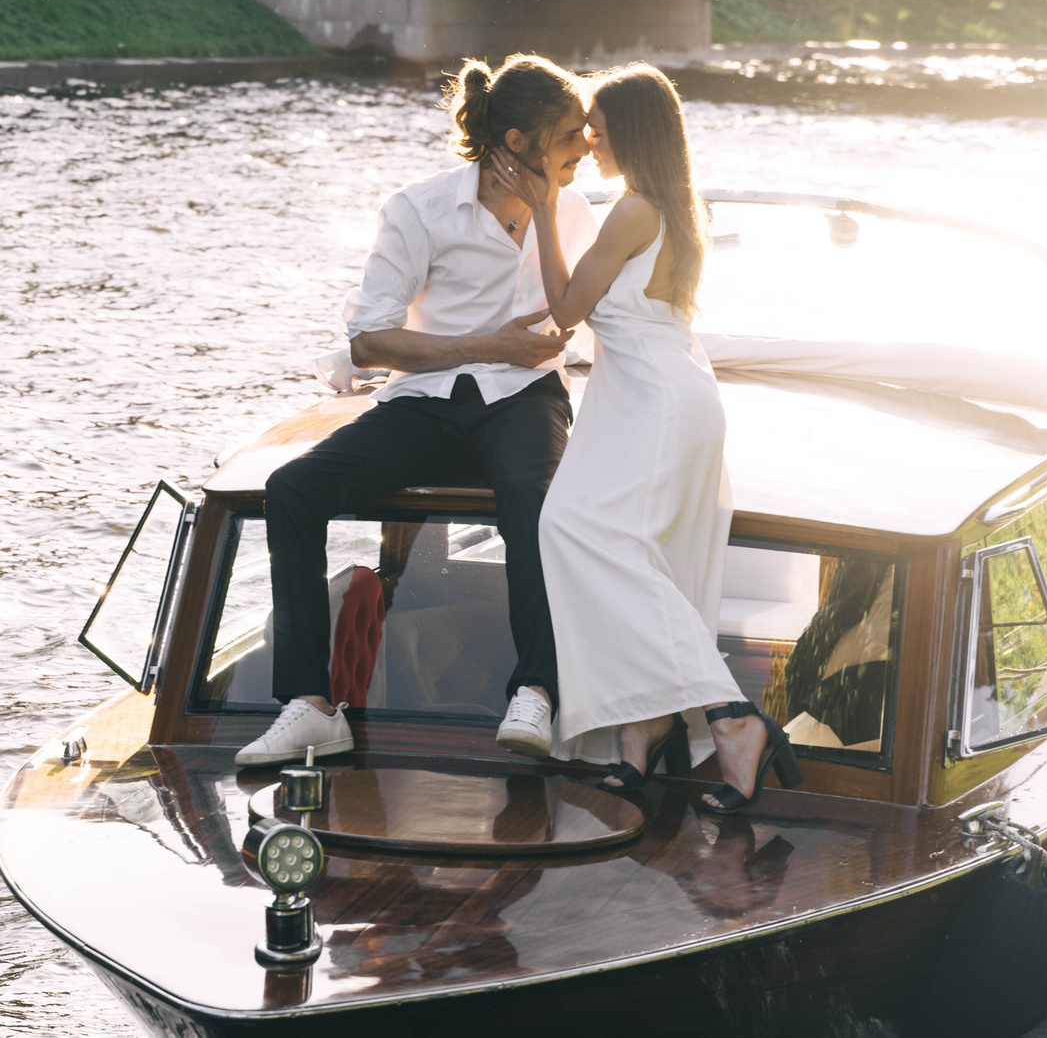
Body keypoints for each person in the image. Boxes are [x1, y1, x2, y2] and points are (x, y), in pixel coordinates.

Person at [237, 55, 599, 768]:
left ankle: (536, 690)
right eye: (571, 135)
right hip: (426, 401)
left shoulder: (576, 211)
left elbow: (583, 315)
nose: (587, 146)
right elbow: (369, 338)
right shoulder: (420, 208)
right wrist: (487, 343)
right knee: (293, 489)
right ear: (519, 142)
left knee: (535, 496)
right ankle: (311, 706)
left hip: (526, 397)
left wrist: (560, 335)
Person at [490, 65, 799, 814]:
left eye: (598, 123)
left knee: (583, 532)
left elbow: (566, 308)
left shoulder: (633, 209)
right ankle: (641, 737)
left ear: (633, 130)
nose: (587, 136)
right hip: (651, 393)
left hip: (655, 402)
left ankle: (730, 717)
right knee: (630, 552)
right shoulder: (671, 203)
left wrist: (543, 200)